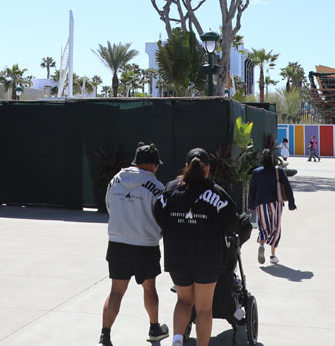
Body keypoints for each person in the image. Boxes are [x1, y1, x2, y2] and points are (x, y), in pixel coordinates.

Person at [154, 147, 237, 346]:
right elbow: (232, 223)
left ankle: (177, 340)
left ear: (186, 166)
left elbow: (158, 215)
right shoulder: (216, 192)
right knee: (203, 309)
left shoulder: (170, 190)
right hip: (207, 259)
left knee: (183, 301)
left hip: (177, 258)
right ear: (208, 168)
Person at [99, 143, 169, 346]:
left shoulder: (115, 180)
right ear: (153, 165)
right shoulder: (156, 186)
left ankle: (105, 335)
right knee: (149, 289)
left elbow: (109, 206)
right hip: (145, 245)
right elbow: (162, 216)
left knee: (116, 292)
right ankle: (154, 328)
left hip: (117, 243)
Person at [248, 148, 296, 265]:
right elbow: (287, 187)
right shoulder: (278, 170)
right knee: (276, 226)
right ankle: (273, 255)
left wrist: (251, 205)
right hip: (276, 203)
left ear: (262, 160)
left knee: (264, 226)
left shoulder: (256, 172)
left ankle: (262, 244)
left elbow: (252, 190)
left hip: (261, 203)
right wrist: (291, 202)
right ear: (272, 159)